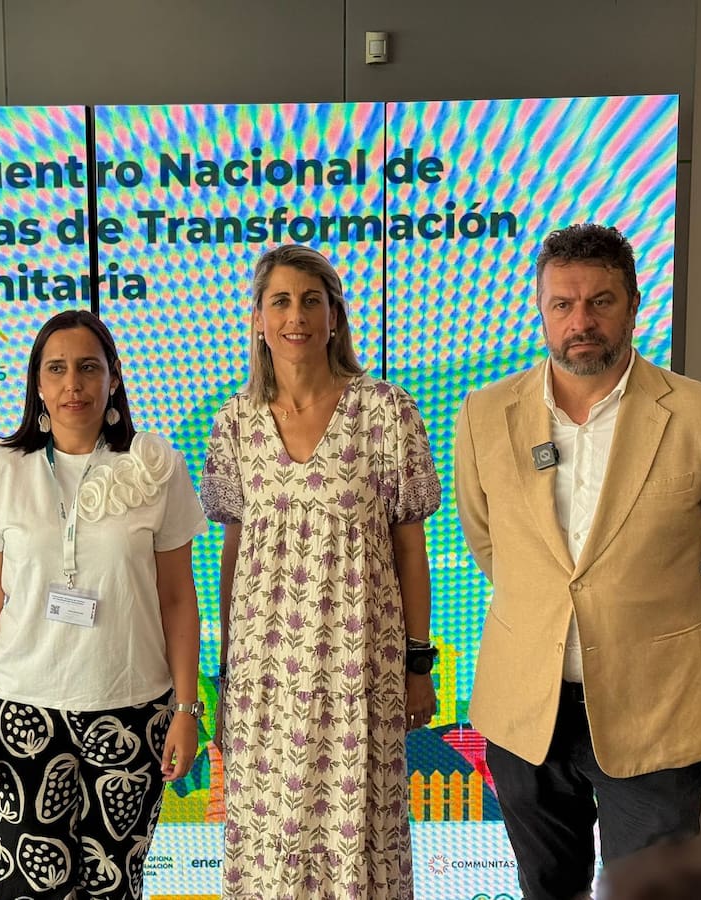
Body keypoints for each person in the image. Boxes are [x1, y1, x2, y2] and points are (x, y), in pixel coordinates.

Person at [454, 223, 701, 900]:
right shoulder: (485, 415)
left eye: (600, 301)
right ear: (540, 310)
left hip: (655, 707)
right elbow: (488, 542)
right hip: (526, 714)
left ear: (632, 305)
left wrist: (667, 631)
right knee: (548, 889)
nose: (581, 321)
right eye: (563, 304)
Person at [200, 244, 442, 899]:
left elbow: (410, 550)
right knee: (268, 836)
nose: (296, 316)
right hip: (265, 678)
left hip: (358, 669)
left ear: (335, 316)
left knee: (356, 831)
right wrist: (226, 671)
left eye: (312, 300)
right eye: (279, 301)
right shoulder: (235, 424)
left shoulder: (386, 411)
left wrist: (418, 662)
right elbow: (233, 553)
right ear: (258, 319)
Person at [0, 309, 205, 899]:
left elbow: (177, 598)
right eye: (56, 369)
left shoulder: (155, 468)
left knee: (114, 888)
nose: (73, 384)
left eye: (89, 368)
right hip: (21, 716)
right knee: (26, 890)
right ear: (36, 383)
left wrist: (186, 711)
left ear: (114, 378)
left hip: (133, 712)